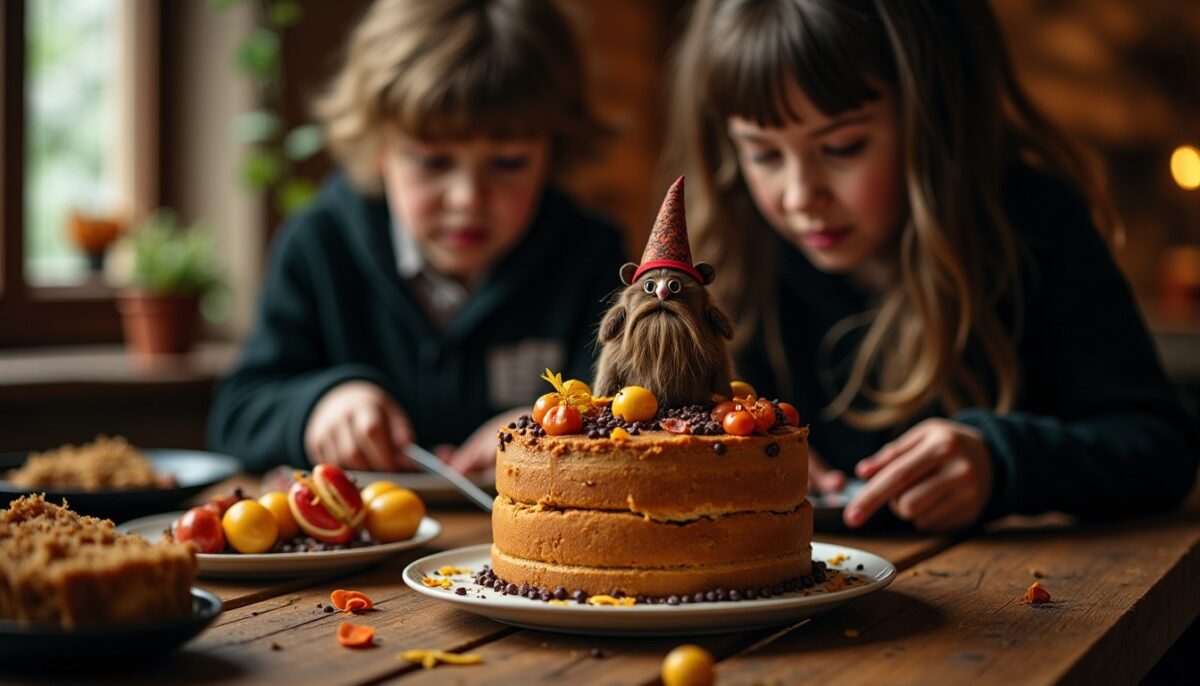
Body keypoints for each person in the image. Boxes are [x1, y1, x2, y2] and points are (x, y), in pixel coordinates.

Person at [665, 0, 1198, 531]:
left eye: (843, 146)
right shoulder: (728, 259)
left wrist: (1003, 460)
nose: (801, 196)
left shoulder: (1036, 227)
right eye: (763, 154)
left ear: (936, 119)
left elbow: (1160, 449)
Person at [208, 0, 624, 475]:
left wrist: (551, 425)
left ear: (553, 151)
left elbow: (632, 404)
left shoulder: (591, 256)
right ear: (378, 148)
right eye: (433, 162)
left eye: (508, 163)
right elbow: (238, 414)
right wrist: (318, 407)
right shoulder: (319, 245)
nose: (468, 199)